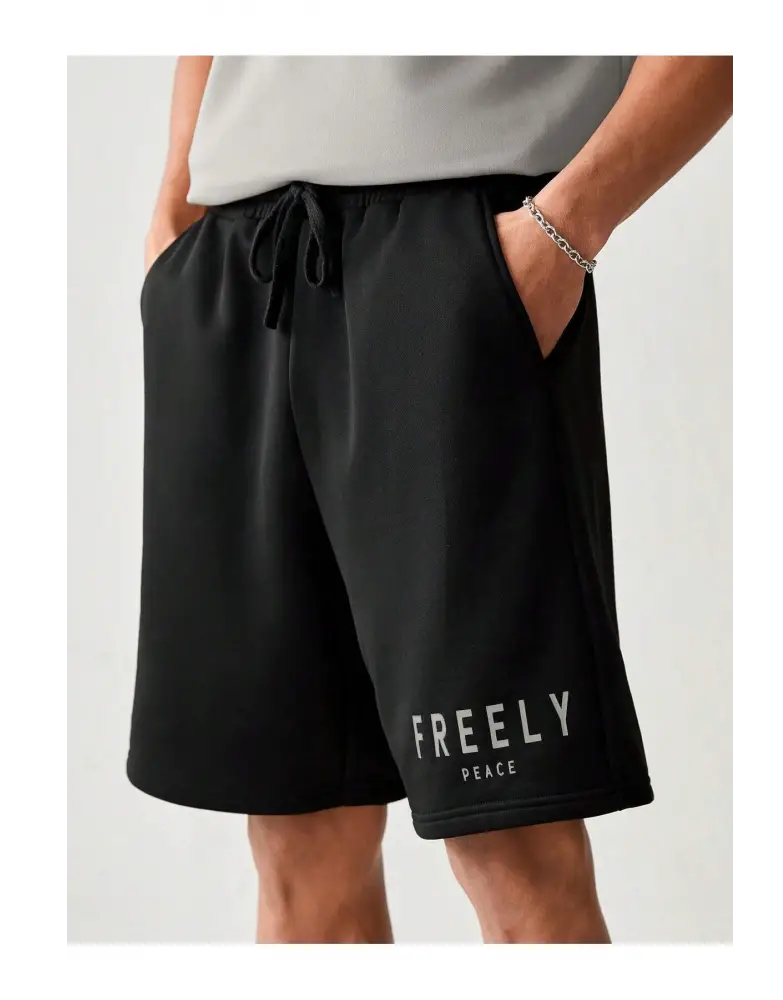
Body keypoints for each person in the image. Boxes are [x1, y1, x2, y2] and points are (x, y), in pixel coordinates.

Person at [127, 56, 735, 943]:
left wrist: (566, 227)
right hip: (239, 265)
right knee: (300, 847)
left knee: (513, 846)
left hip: (451, 256)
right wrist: (176, 198)